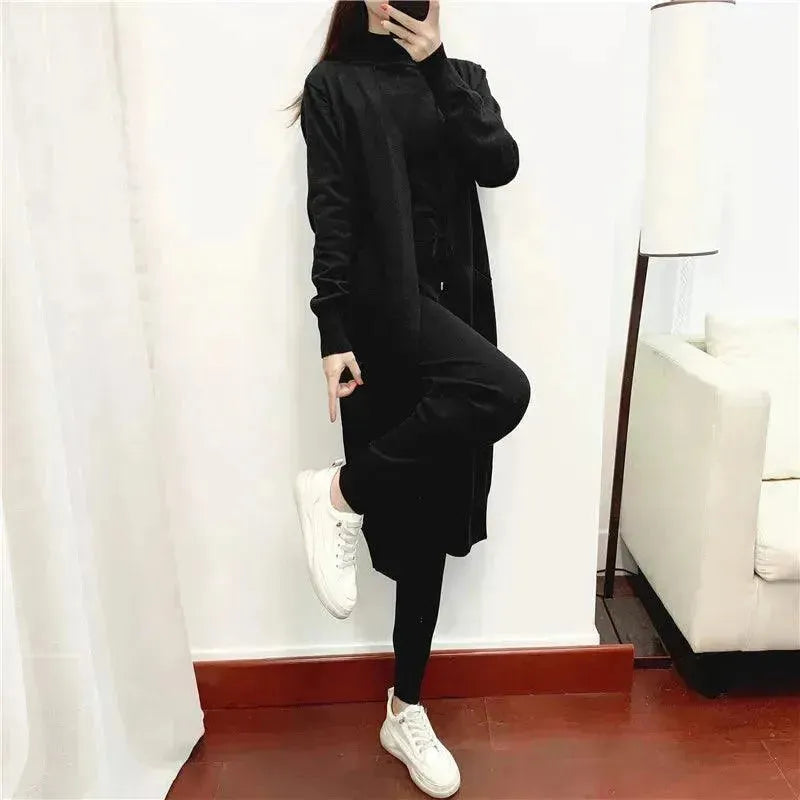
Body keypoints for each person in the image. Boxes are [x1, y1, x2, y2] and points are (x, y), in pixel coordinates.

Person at [289, 1, 530, 796]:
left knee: (431, 516)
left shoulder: (460, 77)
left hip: (454, 312)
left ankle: (406, 707)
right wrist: (332, 329)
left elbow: (498, 163)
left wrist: (436, 66)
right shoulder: (333, 85)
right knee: (504, 389)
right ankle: (341, 494)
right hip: (381, 320)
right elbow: (330, 209)